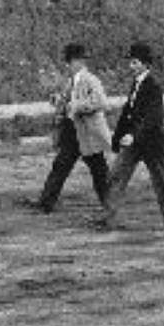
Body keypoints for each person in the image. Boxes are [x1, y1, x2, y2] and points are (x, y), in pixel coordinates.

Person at [99, 43, 164, 230]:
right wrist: (117, 138)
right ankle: (108, 218)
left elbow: (152, 117)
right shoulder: (136, 83)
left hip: (152, 143)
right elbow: (128, 113)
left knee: (161, 182)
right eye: (131, 62)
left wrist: (133, 135)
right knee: (116, 176)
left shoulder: (154, 85)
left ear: (145, 64)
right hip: (132, 143)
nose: (131, 66)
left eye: (135, 62)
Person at [36, 43, 113, 215]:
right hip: (72, 130)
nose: (67, 65)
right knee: (60, 166)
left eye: (69, 62)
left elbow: (101, 102)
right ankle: (46, 203)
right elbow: (66, 102)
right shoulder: (71, 81)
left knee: (99, 170)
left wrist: (77, 105)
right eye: (68, 62)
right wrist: (58, 100)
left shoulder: (91, 80)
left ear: (78, 62)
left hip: (88, 132)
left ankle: (110, 202)